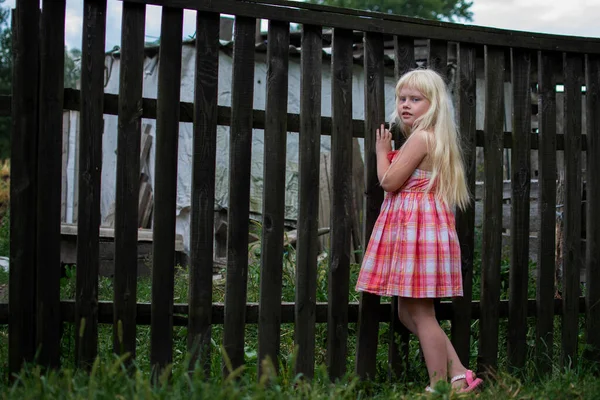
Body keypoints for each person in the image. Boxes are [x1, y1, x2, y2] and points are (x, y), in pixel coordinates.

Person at [355, 69, 483, 393]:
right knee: (405, 313)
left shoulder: (422, 138)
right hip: (421, 231)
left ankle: (438, 385)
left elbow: (389, 182)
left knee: (422, 314)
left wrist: (381, 152)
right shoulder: (434, 138)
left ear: (434, 104)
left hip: (417, 233)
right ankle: (459, 376)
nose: (405, 105)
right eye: (402, 99)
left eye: (415, 99)